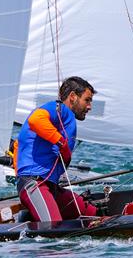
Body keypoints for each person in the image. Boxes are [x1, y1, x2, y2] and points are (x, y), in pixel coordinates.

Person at [15, 76, 98, 222]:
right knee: (54, 227)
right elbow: (36, 120)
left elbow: (18, 144)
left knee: (92, 213)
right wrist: (61, 143)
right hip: (35, 184)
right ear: (72, 96)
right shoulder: (58, 109)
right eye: (87, 100)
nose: (90, 106)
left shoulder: (66, 117)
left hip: (51, 187)